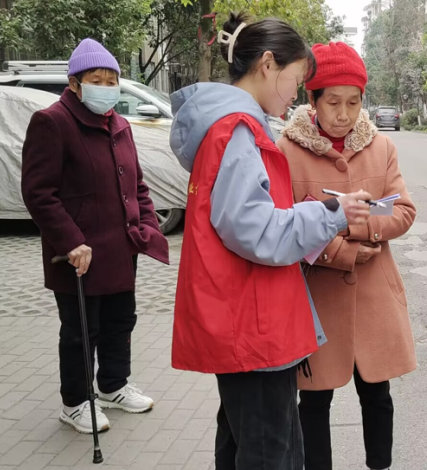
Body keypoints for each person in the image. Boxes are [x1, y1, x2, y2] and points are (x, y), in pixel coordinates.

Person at [168, 13, 373, 470]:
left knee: (245, 442)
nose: (296, 93)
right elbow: (257, 231)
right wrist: (331, 214)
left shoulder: (231, 128)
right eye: (296, 79)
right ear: (266, 64)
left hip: (247, 320)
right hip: (254, 325)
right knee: (267, 451)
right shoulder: (237, 130)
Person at [277, 42, 417, 470]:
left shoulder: (381, 147)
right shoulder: (286, 150)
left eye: (353, 102)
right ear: (311, 100)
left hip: (374, 296)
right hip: (318, 303)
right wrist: (340, 250)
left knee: (377, 394)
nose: (343, 113)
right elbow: (284, 224)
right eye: (333, 102)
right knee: (314, 402)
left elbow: (404, 211)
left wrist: (354, 226)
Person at [21, 38, 169, 434]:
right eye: (96, 79)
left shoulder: (118, 123)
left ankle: (113, 386)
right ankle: (75, 402)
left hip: (121, 248)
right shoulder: (52, 122)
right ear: (74, 83)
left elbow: (136, 184)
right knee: (81, 332)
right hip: (79, 254)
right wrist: (70, 241)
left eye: (111, 79)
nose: (105, 86)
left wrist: (148, 225)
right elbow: (38, 192)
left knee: (122, 320)